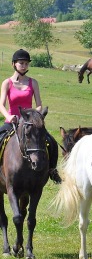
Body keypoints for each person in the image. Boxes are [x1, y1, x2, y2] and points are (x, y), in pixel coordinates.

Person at [0, 49, 61, 183]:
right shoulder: (7, 83)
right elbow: (1, 105)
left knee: (51, 142)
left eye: (26, 63)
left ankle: (52, 171)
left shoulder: (33, 82)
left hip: (29, 123)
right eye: (21, 63)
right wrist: (9, 117)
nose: (24, 66)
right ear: (14, 64)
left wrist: (35, 115)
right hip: (12, 122)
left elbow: (39, 104)